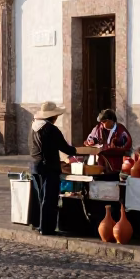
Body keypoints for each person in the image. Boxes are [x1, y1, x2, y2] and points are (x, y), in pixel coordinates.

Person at [29, 101, 80, 236]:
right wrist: (79, 151)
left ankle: (39, 225)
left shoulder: (34, 127)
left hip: (35, 166)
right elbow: (64, 147)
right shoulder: (51, 129)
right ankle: (47, 228)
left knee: (40, 197)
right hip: (48, 167)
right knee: (49, 198)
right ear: (53, 116)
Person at [84, 108, 133, 176]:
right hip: (100, 162)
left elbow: (127, 147)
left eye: (104, 121)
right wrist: (92, 141)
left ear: (111, 121)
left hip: (116, 163)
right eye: (101, 122)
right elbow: (91, 138)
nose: (102, 123)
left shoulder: (121, 130)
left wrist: (115, 147)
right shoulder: (98, 128)